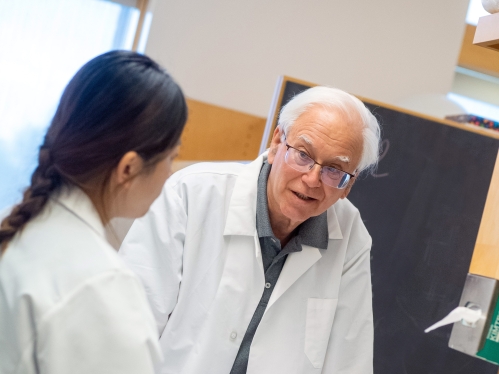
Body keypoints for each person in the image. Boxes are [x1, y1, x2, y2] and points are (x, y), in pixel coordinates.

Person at [120, 86, 381, 373]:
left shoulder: (350, 237)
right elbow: (125, 332)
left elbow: (348, 362)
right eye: (303, 155)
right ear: (277, 142)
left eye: (334, 170)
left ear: (349, 184)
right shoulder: (190, 194)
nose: (312, 179)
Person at [0, 51, 187, 374]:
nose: (171, 173)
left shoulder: (14, 224)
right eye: (171, 157)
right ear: (128, 168)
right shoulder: (101, 286)